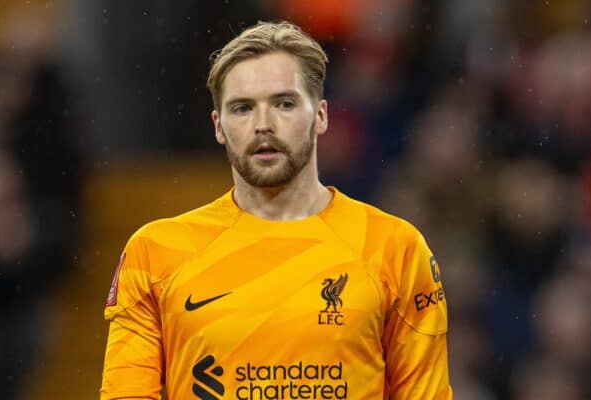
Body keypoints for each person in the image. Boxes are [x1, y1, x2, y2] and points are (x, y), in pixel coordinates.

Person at [100, 21, 452, 400]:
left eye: (284, 103)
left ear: (320, 115)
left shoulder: (395, 248)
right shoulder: (155, 251)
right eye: (242, 108)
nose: (263, 125)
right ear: (219, 126)